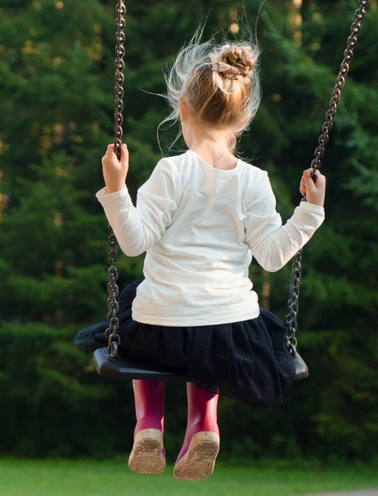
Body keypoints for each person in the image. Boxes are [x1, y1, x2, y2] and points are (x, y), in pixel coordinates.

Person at [74, 36, 326, 481]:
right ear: (244, 117)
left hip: (161, 327)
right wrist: (310, 212)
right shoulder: (255, 181)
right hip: (229, 330)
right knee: (209, 338)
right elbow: (271, 257)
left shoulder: (170, 172)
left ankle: (149, 423)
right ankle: (204, 424)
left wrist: (116, 189)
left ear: (182, 109)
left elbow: (133, 242)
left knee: (138, 306)